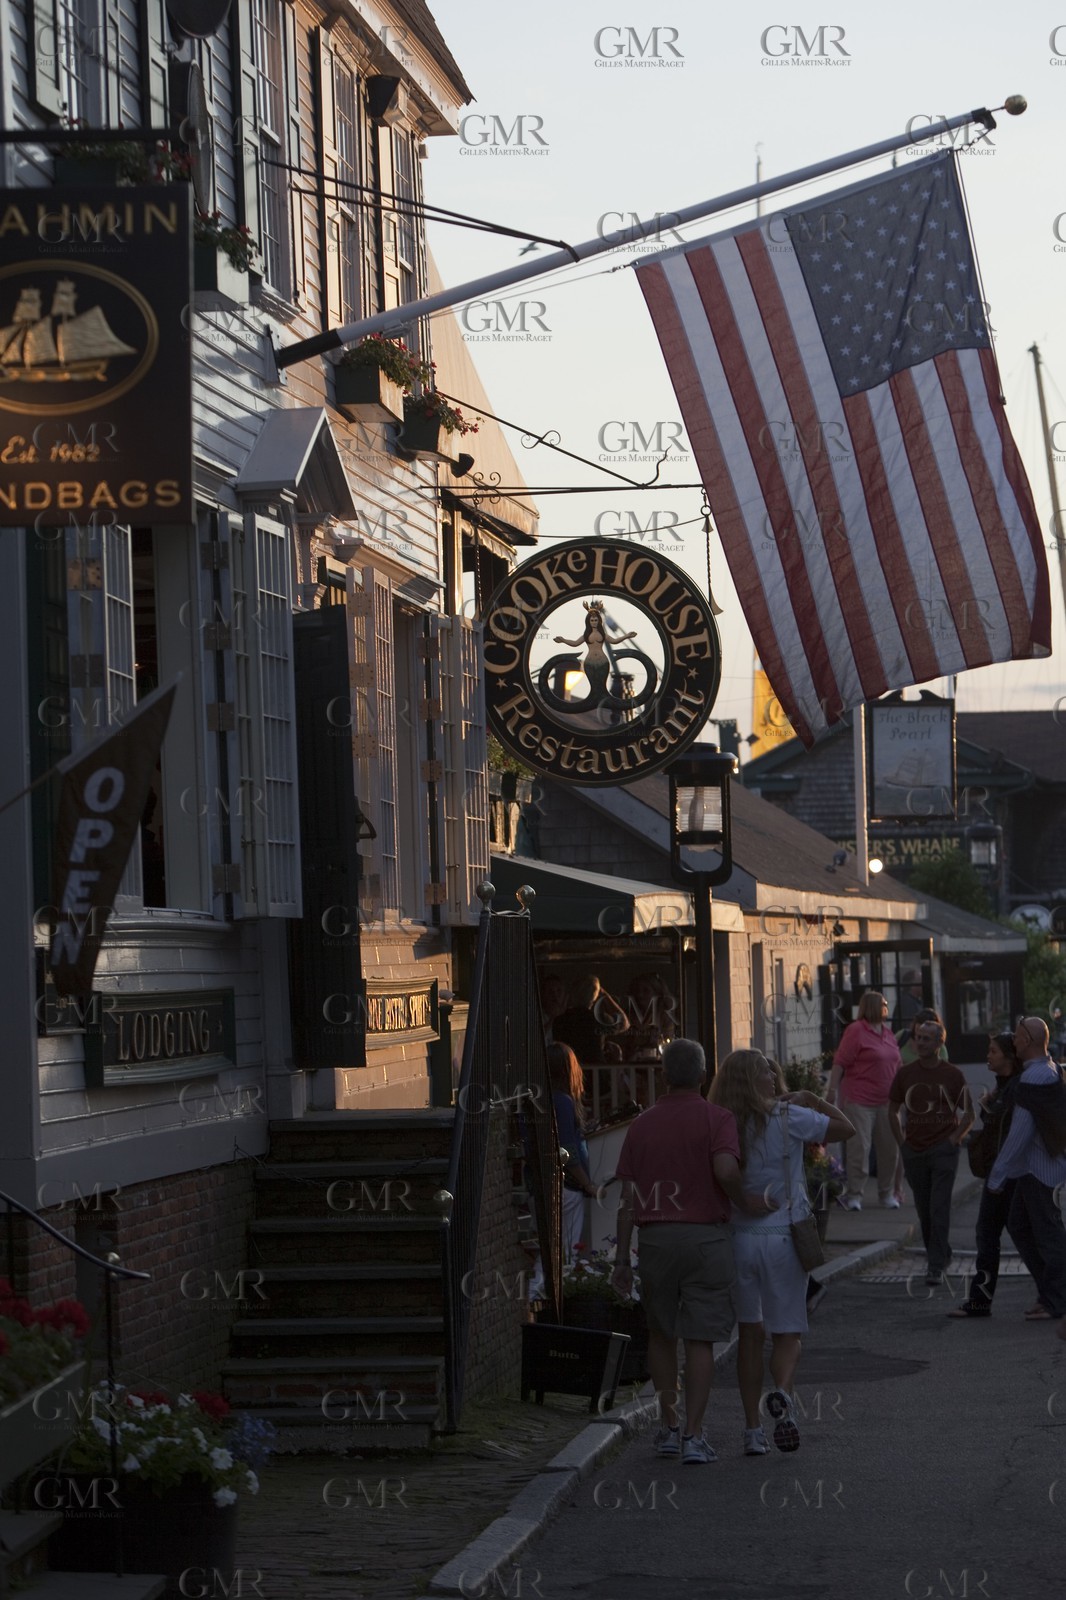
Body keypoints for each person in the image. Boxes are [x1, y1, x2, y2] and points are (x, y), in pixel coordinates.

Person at [610, 1038, 772, 1465]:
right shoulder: (717, 1118)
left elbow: (628, 1198)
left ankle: (668, 1425)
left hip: (657, 1238)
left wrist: (622, 1258)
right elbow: (724, 1168)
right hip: (705, 1237)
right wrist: (743, 1199)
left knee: (662, 1334)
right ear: (703, 1075)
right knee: (701, 1340)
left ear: (664, 1074)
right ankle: (695, 1437)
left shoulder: (642, 1125)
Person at [709, 1049, 855, 1455]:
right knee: (787, 1332)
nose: (774, 1080)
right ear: (753, 1081)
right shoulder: (788, 1117)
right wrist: (812, 1098)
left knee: (750, 1335)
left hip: (740, 1237)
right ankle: (784, 1401)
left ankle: (753, 1430)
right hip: (784, 1236)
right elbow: (846, 1129)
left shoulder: (720, 1121)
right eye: (766, 1074)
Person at [987, 1016, 1066, 1325]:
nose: (1014, 1041)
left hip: (1041, 1171)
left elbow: (1020, 1132)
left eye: (1018, 1037)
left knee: (1049, 1237)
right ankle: (1049, 1295)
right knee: (1020, 1226)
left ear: (1028, 1041)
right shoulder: (1052, 1070)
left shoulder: (1034, 1077)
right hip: (1037, 1169)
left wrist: (997, 1175)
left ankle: (1056, 1301)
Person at [888, 1020, 974, 1287]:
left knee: (939, 1207)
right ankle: (942, 1253)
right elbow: (892, 1109)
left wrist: (953, 1139)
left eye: (927, 1039)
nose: (920, 1043)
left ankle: (935, 1265)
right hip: (914, 1149)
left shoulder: (953, 1075)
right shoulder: (905, 1074)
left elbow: (969, 1114)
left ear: (939, 1044)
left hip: (943, 1150)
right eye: (918, 1038)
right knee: (925, 1210)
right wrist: (902, 1142)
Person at [947, 1031, 1023, 1319]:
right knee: (1001, 1234)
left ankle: (981, 1301)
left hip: (1006, 1173)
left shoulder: (1014, 1088)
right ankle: (981, 1300)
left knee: (999, 1233)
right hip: (998, 1171)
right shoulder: (1003, 1087)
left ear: (1008, 1056)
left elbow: (1009, 1134)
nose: (988, 1056)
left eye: (993, 1051)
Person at [828, 991, 902, 1211]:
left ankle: (886, 1194)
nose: (887, 1007)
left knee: (890, 1149)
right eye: (883, 1004)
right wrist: (832, 1090)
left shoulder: (888, 1033)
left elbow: (896, 1065)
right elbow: (840, 1062)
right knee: (859, 1148)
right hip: (859, 1099)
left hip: (887, 1101)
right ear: (872, 1006)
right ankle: (854, 1196)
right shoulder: (856, 1030)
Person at [547, 1043, 599, 1258]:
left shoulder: (540, 1099)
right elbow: (567, 1149)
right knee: (566, 1252)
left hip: (542, 1184)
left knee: (549, 1250)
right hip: (567, 1187)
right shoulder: (563, 1102)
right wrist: (587, 1183)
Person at [552, 974, 630, 1064]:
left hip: (570, 1072)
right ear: (595, 996)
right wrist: (605, 996)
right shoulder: (599, 1019)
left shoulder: (560, 1020)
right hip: (596, 1073)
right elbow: (624, 1023)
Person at [892, 968, 925, 1034]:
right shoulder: (907, 1003)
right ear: (912, 985)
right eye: (920, 981)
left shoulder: (915, 1001)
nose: (923, 984)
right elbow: (908, 1029)